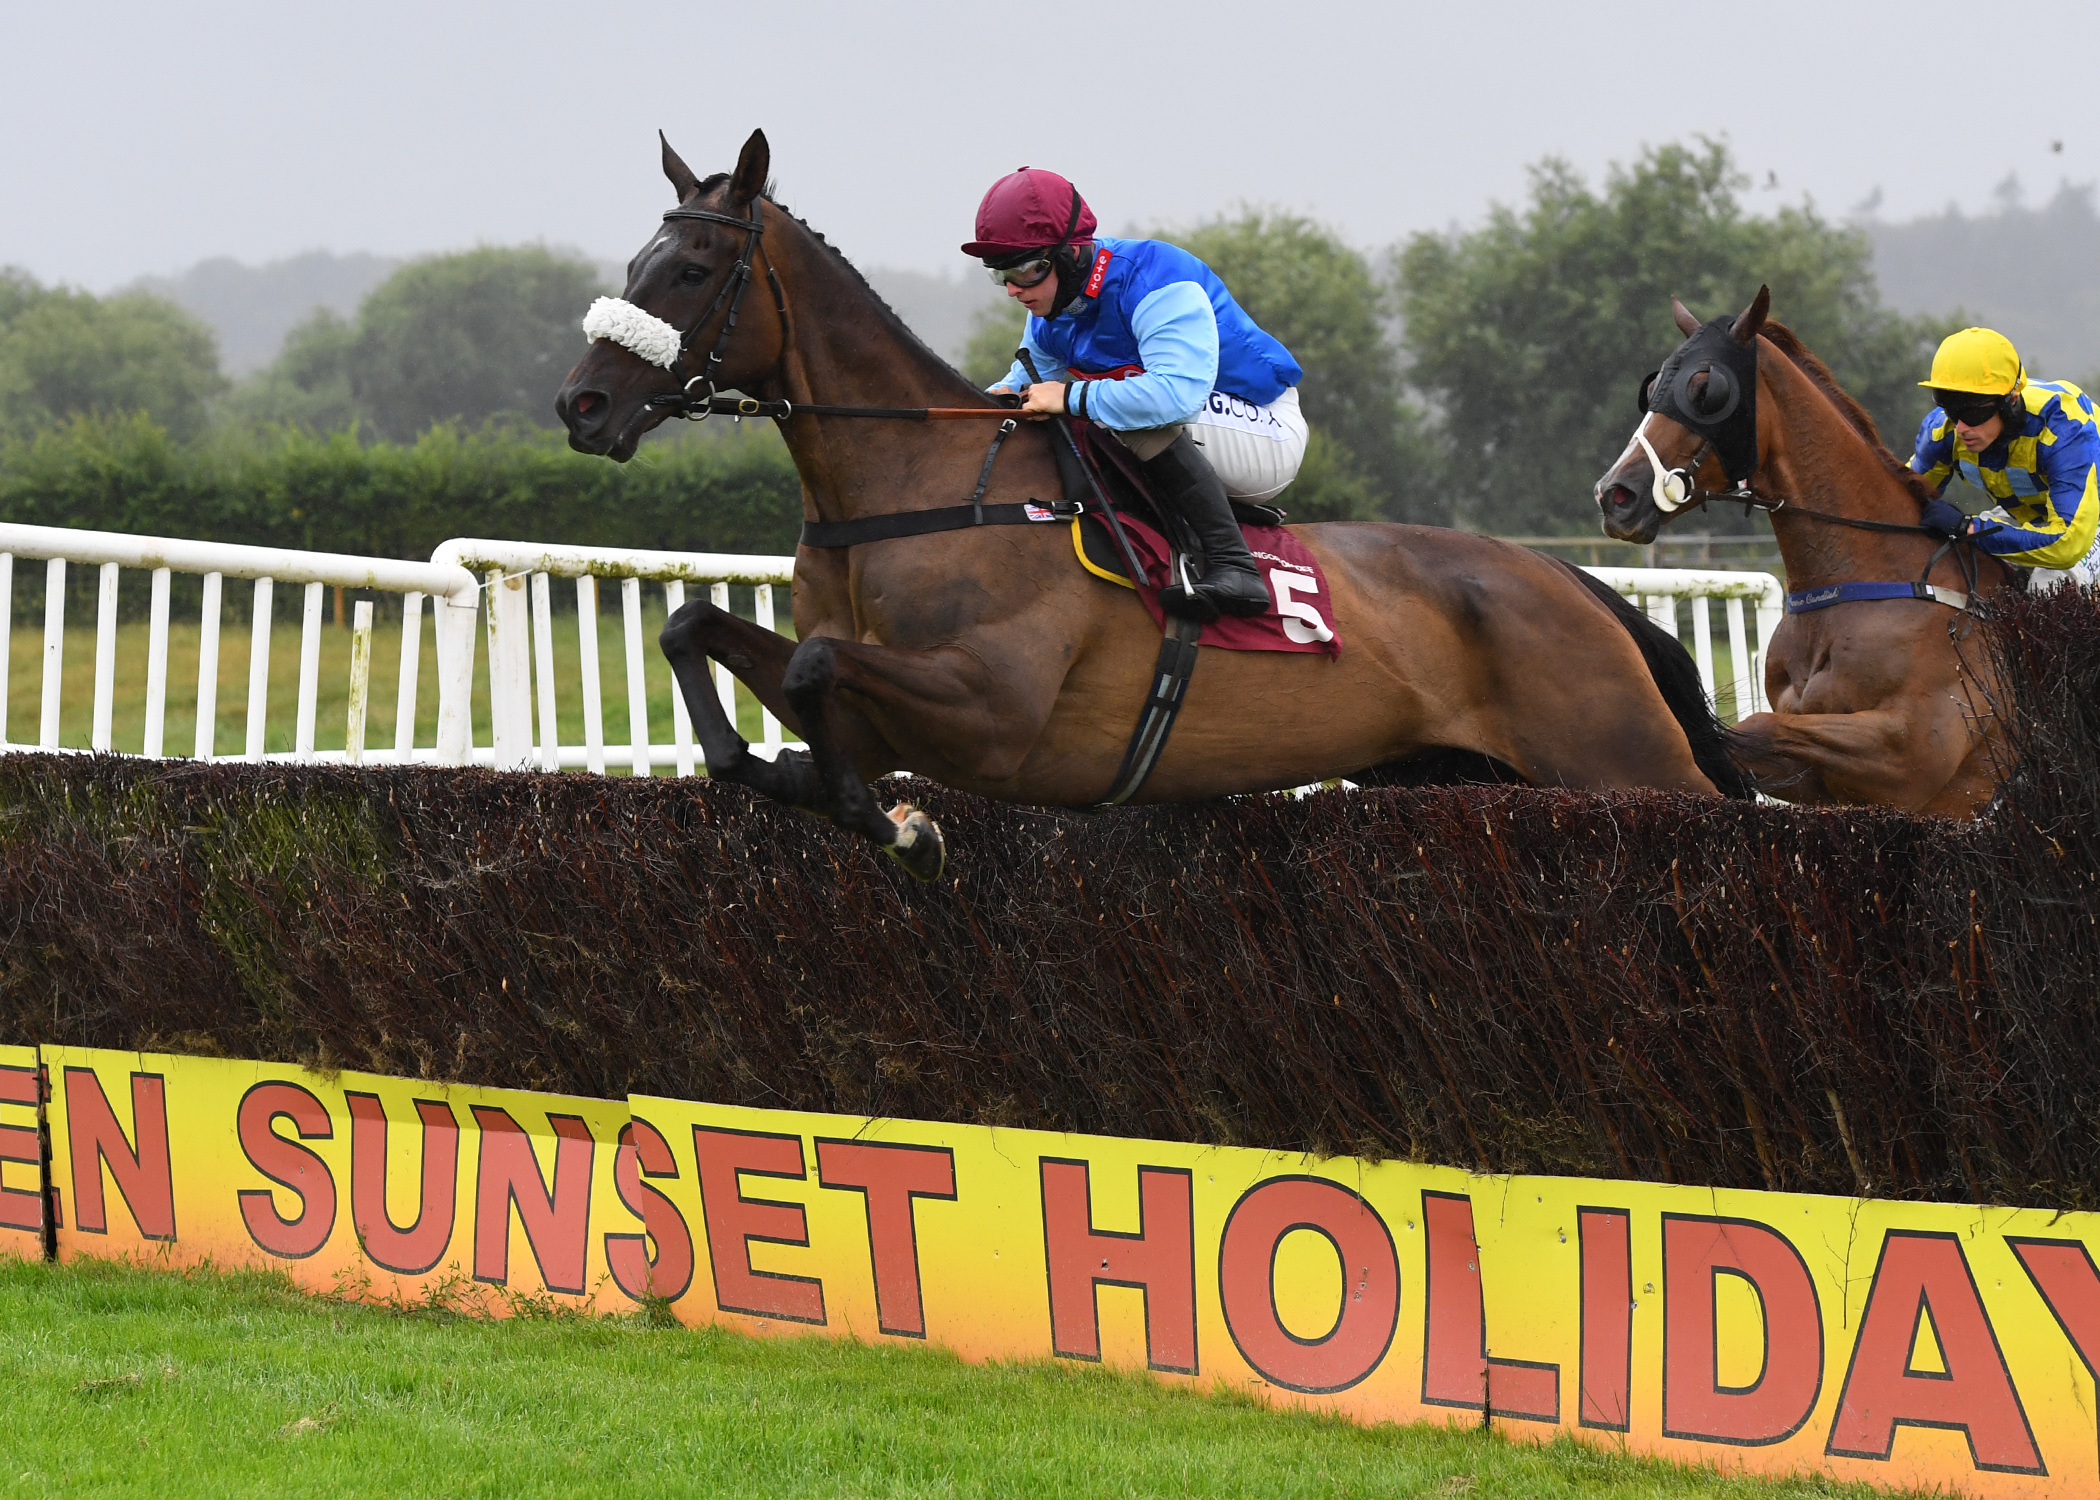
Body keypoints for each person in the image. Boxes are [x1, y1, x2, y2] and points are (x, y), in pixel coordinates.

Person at [963, 167, 1307, 619]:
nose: (1012, 288)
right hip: (1200, 427)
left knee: (1122, 413)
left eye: (1026, 269)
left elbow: (1173, 397)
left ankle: (1235, 565)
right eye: (1001, 273)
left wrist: (1069, 397)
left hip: (1265, 428)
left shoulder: (1155, 276)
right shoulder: (1050, 309)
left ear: (1071, 254)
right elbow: (1019, 391)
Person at [1911, 326, 2100, 591]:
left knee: (2047, 588)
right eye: (1951, 410)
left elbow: (2068, 543)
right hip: (2032, 516)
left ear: (2011, 401)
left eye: (1972, 413)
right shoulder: (1944, 432)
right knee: (1954, 564)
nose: (1961, 428)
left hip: (2085, 525)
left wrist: (1970, 528)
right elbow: (1902, 496)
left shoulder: (2066, 429)